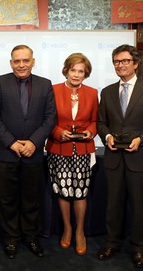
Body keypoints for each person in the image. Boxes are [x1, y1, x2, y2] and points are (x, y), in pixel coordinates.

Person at [96, 44, 143, 268]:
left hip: (140, 159)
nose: (120, 65)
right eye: (116, 62)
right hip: (113, 159)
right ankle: (112, 243)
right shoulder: (107, 91)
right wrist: (107, 136)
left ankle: (139, 247)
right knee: (112, 205)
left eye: (125, 61)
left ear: (136, 64)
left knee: (138, 206)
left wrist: (142, 140)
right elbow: (101, 123)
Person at [0, 44, 56, 259]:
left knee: (31, 199)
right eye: (17, 61)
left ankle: (31, 237)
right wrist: (11, 143)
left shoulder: (45, 85)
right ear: (11, 63)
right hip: (7, 153)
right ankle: (10, 239)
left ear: (33, 62)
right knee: (7, 200)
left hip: (33, 153)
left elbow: (50, 118)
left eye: (25, 60)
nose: (21, 65)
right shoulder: (0, 82)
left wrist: (34, 143)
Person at [44, 53, 98, 256]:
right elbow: (47, 118)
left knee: (80, 192)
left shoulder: (92, 93)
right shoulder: (53, 90)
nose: (76, 74)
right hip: (59, 148)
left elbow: (95, 121)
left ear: (86, 73)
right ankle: (67, 229)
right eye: (73, 70)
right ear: (66, 70)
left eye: (81, 71)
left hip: (83, 149)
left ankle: (80, 232)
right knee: (64, 190)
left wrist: (90, 132)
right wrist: (58, 132)